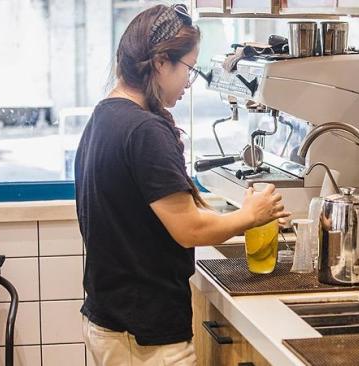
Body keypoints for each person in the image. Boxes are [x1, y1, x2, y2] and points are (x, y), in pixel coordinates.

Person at [75, 4, 289, 365]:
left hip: (111, 320)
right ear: (161, 63)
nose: (189, 82)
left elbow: (151, 210)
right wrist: (251, 216)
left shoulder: (106, 114)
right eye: (188, 68)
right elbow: (188, 229)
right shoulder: (145, 130)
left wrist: (250, 216)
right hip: (144, 336)